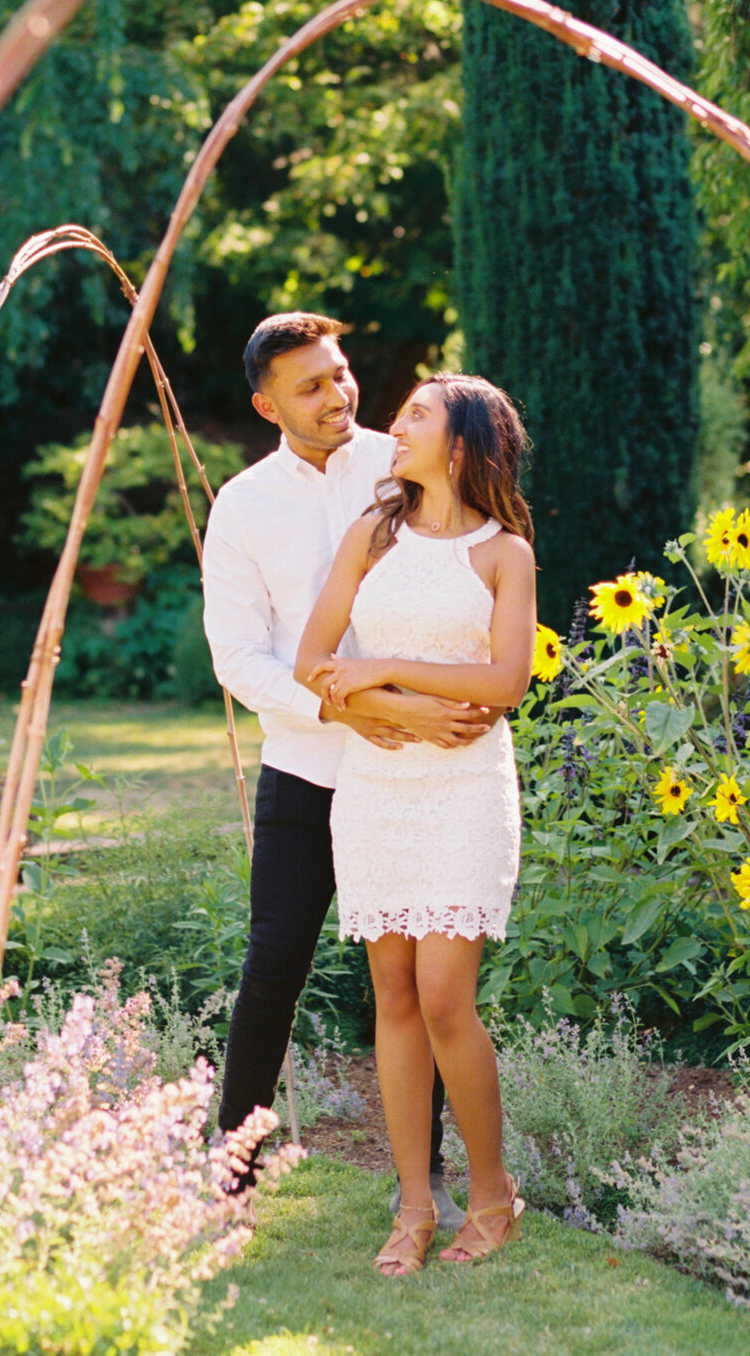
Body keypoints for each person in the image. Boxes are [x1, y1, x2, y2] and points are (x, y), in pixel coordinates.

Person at [203, 314, 493, 1212]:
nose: (337, 396)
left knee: (416, 984)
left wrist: (422, 705)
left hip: (422, 773)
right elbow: (238, 655)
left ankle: (432, 1181)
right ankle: (232, 1169)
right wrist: (347, 706)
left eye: (340, 375)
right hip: (308, 766)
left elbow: (479, 571)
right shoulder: (243, 506)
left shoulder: (410, 459)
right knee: (275, 963)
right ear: (266, 405)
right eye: (310, 386)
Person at [294, 372, 536, 1274]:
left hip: (467, 785)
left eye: (418, 416)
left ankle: (492, 1192)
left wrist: (386, 668)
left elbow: (505, 683)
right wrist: (392, 712)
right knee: (391, 991)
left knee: (443, 994)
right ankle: (412, 1205)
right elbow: (317, 660)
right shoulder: (372, 532)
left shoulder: (504, 553)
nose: (394, 426)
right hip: (378, 785)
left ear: (465, 444)